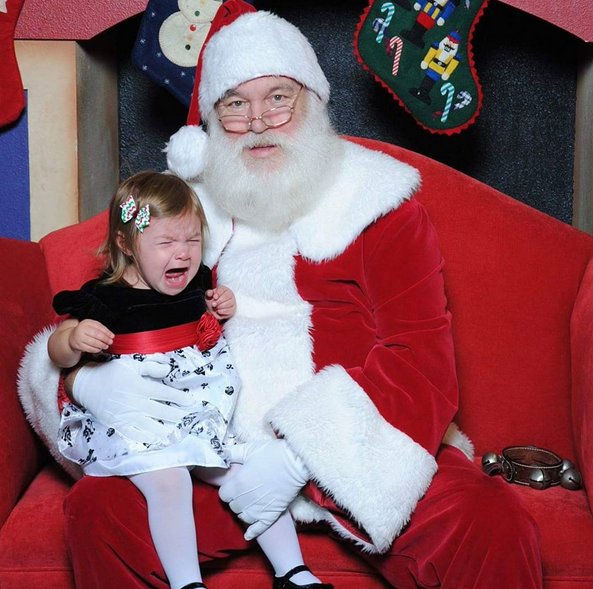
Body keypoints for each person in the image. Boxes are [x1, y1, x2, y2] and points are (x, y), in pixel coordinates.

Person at [20, 3, 543, 587]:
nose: (258, 122)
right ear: (211, 122)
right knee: (101, 513)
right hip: (212, 452)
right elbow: (109, 301)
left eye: (278, 98)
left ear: (312, 101)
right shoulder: (180, 220)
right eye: (234, 104)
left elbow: (420, 361)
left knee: (489, 522)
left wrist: (299, 455)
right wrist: (82, 377)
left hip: (361, 452)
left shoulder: (379, 206)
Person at [47, 170, 332, 589]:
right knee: (170, 479)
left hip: (192, 410)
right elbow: (56, 350)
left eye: (193, 240)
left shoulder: (196, 284)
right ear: (126, 244)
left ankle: (293, 572)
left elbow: (204, 325)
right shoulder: (106, 297)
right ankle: (187, 583)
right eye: (166, 243)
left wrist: (220, 307)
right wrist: (73, 339)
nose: (182, 253)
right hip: (136, 422)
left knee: (247, 473)